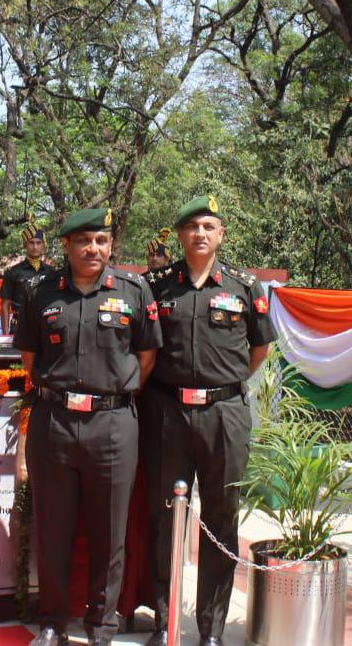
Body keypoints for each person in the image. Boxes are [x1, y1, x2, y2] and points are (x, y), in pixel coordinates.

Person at [14, 208, 162, 646]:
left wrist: (113, 393)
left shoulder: (135, 291)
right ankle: (53, 623)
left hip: (113, 423)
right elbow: (29, 358)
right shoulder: (41, 293)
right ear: (65, 246)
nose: (92, 248)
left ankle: (102, 626)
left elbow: (147, 358)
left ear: (111, 244)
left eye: (101, 240)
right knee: (53, 529)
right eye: (83, 241)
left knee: (110, 532)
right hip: (54, 421)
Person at [141, 196, 274, 646]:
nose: (200, 233)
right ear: (180, 235)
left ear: (221, 235)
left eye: (209, 226)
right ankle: (165, 622)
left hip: (224, 415)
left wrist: (220, 387)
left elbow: (259, 351)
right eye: (192, 226)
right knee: (165, 519)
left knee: (221, 518)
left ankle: (211, 630)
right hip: (166, 413)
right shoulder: (156, 286)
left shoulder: (243, 287)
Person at [0, 217, 57, 334]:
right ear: (25, 245)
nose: (35, 247)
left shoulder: (52, 273)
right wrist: (4, 336)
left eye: (38, 243)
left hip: (44, 328)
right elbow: (5, 306)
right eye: (31, 242)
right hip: (19, 328)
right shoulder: (13, 272)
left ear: (43, 245)